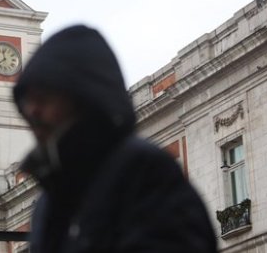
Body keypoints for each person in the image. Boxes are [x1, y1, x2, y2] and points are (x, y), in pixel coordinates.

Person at [13, 25, 217, 252]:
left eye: (43, 98)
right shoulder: (47, 203)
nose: (32, 111)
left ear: (81, 96)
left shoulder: (142, 170)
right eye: (26, 103)